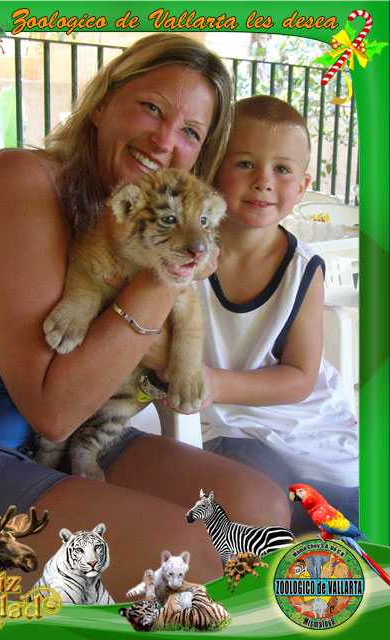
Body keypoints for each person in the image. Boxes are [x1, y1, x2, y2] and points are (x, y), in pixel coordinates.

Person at [0, 35, 291, 602]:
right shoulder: (19, 182)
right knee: (184, 563)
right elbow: (54, 410)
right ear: (102, 103)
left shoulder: (128, 205)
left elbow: (151, 370)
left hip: (63, 432)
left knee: (260, 512)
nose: (164, 139)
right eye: (151, 107)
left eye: (191, 132)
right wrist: (168, 270)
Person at [192, 95, 358, 534]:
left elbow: (300, 377)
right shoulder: (185, 252)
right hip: (224, 425)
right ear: (212, 169)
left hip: (295, 417)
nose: (263, 181)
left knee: (354, 504)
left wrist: (215, 382)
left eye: (282, 169)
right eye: (245, 163)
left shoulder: (303, 270)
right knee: (253, 496)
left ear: (302, 187)